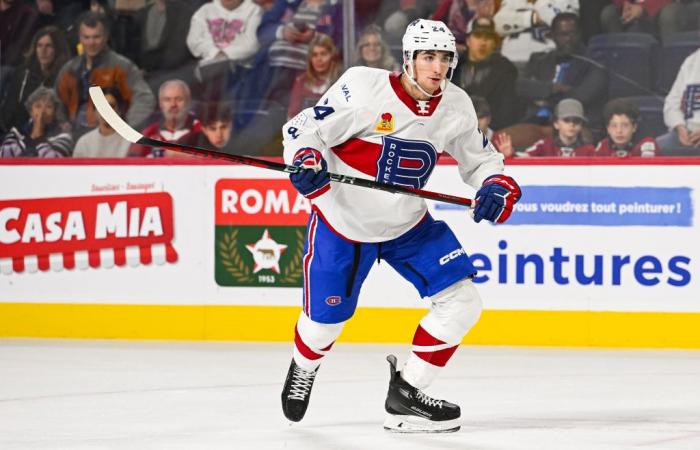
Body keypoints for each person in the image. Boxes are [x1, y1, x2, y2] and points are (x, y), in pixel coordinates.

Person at [279, 19, 522, 433]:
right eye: (428, 56)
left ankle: (406, 395)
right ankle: (304, 366)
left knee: (463, 303)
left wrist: (496, 186)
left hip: (408, 223)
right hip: (343, 222)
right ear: (408, 58)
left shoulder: (456, 104)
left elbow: (482, 162)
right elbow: (305, 130)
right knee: (324, 324)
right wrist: (306, 160)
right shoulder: (363, 87)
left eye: (445, 58)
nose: (437, 67)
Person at [55, 11, 156, 136]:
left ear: (106, 37)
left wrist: (127, 128)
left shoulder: (121, 67)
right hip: (72, 134)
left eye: (96, 37)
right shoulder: (69, 69)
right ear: (79, 38)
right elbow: (57, 101)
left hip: (108, 134)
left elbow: (144, 99)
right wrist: (62, 123)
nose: (91, 43)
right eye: (86, 37)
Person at [0, 25, 70, 134]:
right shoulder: (23, 72)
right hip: (13, 132)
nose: (43, 51)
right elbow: (9, 108)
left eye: (49, 46)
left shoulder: (64, 77)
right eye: (39, 46)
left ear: (58, 50)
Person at [453, 16, 520, 130]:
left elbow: (505, 113)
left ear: (494, 43)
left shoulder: (505, 70)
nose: (483, 42)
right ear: (468, 40)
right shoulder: (453, 67)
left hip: (489, 131)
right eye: (478, 36)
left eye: (488, 38)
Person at [128, 79, 202, 157]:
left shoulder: (202, 130)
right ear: (160, 104)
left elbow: (213, 158)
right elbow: (132, 162)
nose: (173, 104)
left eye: (179, 99)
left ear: (188, 102)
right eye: (167, 100)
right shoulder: (149, 133)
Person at [494, 0, 579, 66]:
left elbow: (562, 23)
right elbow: (498, 23)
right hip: (510, 58)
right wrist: (533, 17)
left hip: (545, 60)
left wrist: (541, 7)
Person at [0, 86, 72, 157]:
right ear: (31, 111)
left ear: (55, 113)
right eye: (38, 106)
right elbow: (4, 155)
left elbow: (53, 161)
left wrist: (38, 133)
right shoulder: (16, 133)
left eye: (48, 107)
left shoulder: (64, 137)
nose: (42, 111)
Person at [656, 49, 700, 153]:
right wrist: (680, 127)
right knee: (655, 148)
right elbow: (671, 103)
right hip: (688, 133)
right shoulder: (691, 61)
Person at [287, 33, 339, 119]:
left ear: (332, 56)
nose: (319, 59)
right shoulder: (301, 81)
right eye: (315, 55)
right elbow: (292, 116)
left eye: (323, 54)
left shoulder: (340, 79)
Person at [524, 98, 595, 157]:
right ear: (556, 124)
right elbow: (522, 159)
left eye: (576, 121)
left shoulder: (589, 149)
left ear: (581, 125)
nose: (572, 124)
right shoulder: (544, 145)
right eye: (566, 120)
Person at [72, 87, 131, 157]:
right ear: (95, 111)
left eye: (111, 106)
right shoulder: (84, 143)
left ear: (119, 110)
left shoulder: (130, 142)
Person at [600, 0, 684, 40]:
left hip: (663, 5)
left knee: (668, 15)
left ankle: (671, 67)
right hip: (633, 5)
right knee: (608, 14)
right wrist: (624, 3)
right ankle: (619, 64)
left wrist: (643, 8)